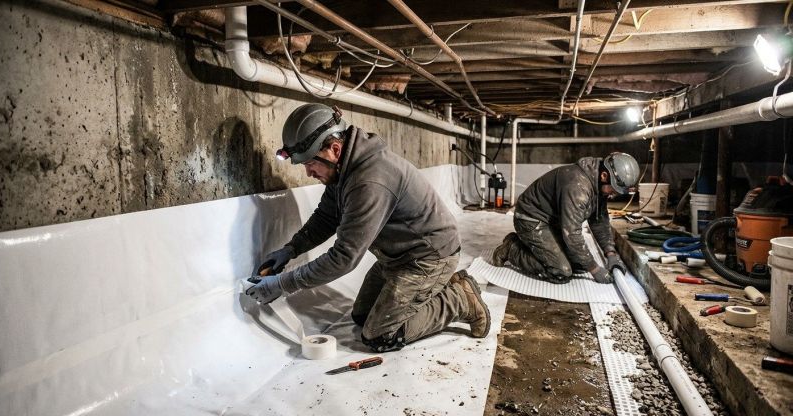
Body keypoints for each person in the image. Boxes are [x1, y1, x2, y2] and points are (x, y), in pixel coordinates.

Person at [245, 103, 491, 352]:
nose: (309, 172)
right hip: (397, 257)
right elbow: (327, 217)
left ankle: (460, 299)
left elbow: (343, 258)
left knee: (380, 335)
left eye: (310, 163)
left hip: (428, 257)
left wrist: (282, 284)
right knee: (362, 316)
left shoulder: (369, 180)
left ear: (334, 149)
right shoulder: (344, 167)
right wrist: (290, 249)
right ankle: (438, 290)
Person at [492, 152, 639, 284]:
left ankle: (536, 249)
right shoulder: (577, 187)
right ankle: (512, 249)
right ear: (604, 176)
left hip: (553, 222)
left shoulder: (598, 185)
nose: (613, 195)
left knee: (581, 265)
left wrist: (610, 253)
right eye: (613, 189)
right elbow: (572, 233)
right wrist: (594, 270)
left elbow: (599, 221)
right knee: (561, 272)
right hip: (531, 219)